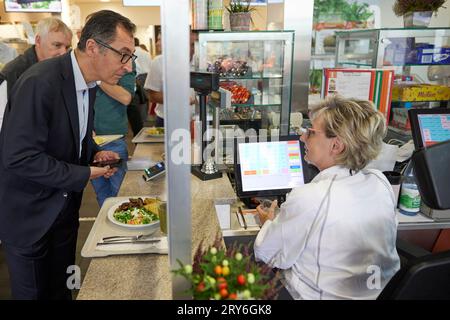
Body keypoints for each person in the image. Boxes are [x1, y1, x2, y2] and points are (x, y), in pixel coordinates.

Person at [0, 10, 136, 299]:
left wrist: (94, 155)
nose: (127, 66)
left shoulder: (89, 86)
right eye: (123, 54)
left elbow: (72, 139)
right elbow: (19, 157)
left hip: (63, 213)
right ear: (92, 47)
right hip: (31, 219)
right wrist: (84, 173)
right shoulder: (40, 82)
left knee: (63, 291)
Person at [254, 96, 401, 300]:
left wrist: (268, 224)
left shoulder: (311, 197)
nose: (303, 138)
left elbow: (267, 254)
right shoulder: (380, 182)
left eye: (312, 133)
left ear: (337, 146)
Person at [91, 67, 136, 207]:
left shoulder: (125, 63)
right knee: (102, 195)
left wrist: (96, 76)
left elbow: (125, 97)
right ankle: (107, 227)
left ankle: (122, 226)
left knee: (120, 193)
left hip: (113, 140)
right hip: (90, 141)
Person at [0, 17, 72, 100]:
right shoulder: (13, 73)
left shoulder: (65, 69)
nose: (63, 53)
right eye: (57, 45)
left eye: (67, 47)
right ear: (38, 41)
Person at [144, 31, 196, 127]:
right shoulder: (159, 62)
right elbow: (153, 96)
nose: (193, 48)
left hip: (197, 121)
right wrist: (180, 100)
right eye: (189, 44)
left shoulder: (203, 63)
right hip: (167, 121)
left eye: (195, 44)